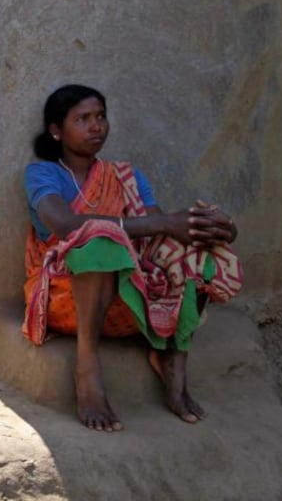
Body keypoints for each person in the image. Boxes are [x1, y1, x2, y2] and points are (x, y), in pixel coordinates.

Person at [22, 84, 243, 432]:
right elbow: (65, 225)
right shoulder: (43, 174)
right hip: (68, 299)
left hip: (129, 299)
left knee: (191, 252)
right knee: (99, 242)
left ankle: (173, 356)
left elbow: (156, 233)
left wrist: (214, 229)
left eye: (100, 117)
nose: (96, 126)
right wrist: (162, 222)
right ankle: (87, 367)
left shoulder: (126, 177)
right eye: (82, 119)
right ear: (56, 130)